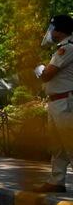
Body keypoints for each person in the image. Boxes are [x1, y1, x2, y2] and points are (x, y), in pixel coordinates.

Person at [34, 14, 73, 193]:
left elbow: (48, 74)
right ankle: (56, 181)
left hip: (66, 102)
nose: (50, 32)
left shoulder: (67, 48)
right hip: (57, 102)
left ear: (59, 30)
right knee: (57, 146)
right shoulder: (61, 48)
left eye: (53, 28)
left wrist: (38, 68)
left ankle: (56, 180)